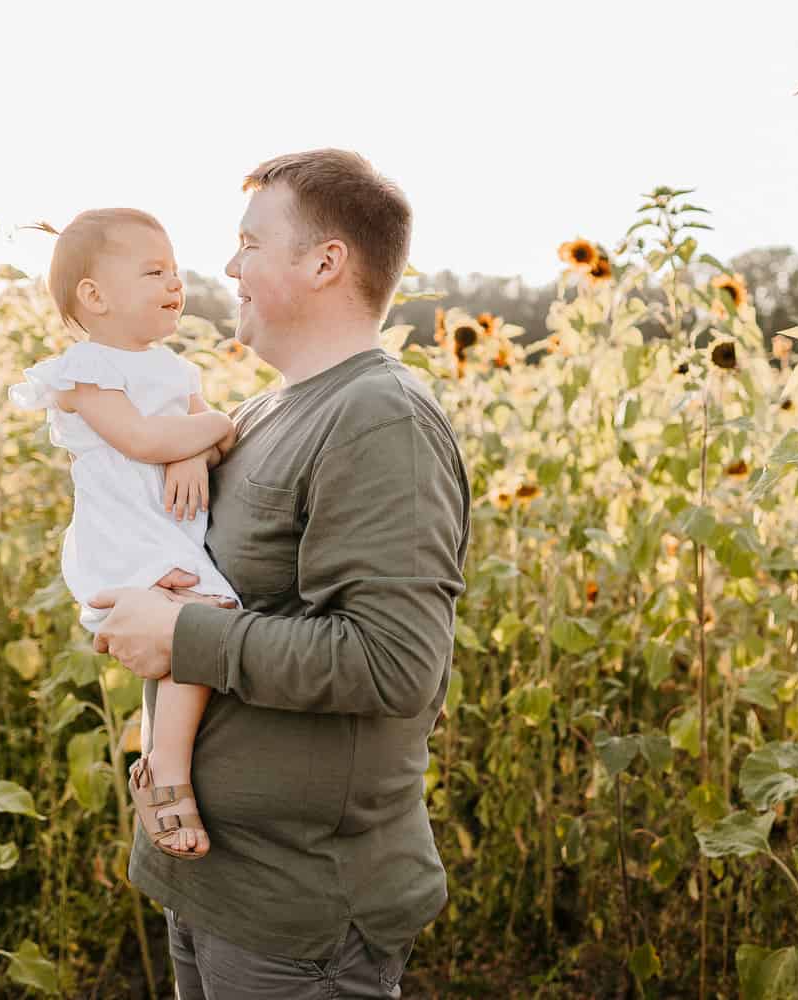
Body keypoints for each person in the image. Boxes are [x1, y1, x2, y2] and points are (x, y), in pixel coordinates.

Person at [89, 150, 471, 999]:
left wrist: (181, 635)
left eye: (250, 244)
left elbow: (394, 663)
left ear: (325, 262)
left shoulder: (379, 418)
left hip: (302, 917)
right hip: (211, 883)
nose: (227, 267)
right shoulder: (262, 412)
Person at [7, 208, 239, 859]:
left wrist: (195, 452)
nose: (175, 282)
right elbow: (140, 439)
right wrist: (207, 431)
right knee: (200, 623)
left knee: (196, 628)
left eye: (175, 270)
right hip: (124, 534)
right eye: (153, 271)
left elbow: (206, 442)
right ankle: (166, 771)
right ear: (95, 296)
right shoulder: (86, 371)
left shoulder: (175, 369)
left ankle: (160, 763)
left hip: (168, 530)